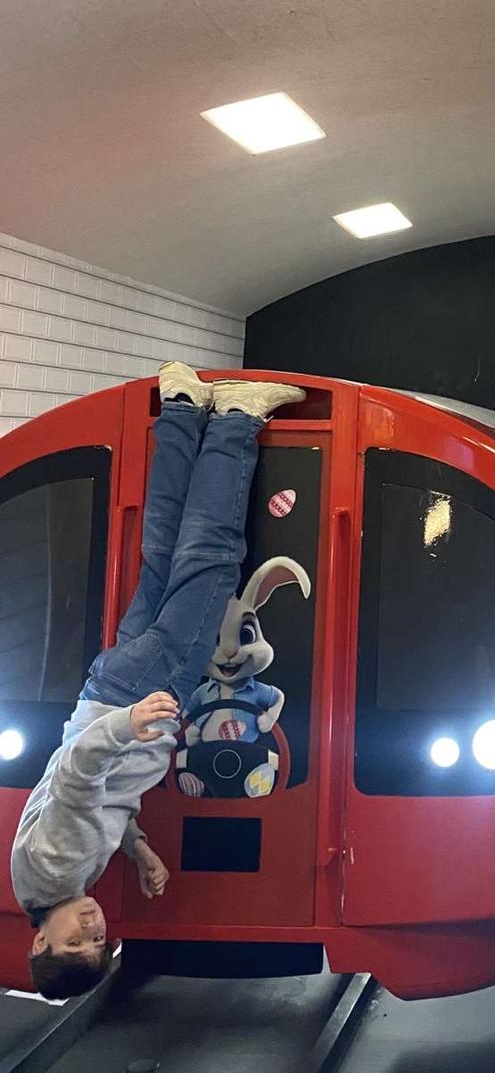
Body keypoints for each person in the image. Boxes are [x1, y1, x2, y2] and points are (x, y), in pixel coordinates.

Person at [11, 363, 305, 999]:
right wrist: (139, 849)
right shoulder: (45, 882)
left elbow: (78, 773)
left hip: (133, 700)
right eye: (99, 943)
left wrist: (131, 721)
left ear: (39, 941)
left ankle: (237, 419)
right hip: (111, 691)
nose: (92, 930)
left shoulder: (58, 869)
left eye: (73, 942)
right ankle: (181, 407)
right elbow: (95, 803)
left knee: (213, 562)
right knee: (166, 554)